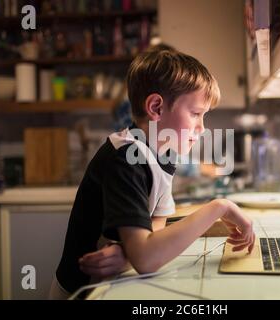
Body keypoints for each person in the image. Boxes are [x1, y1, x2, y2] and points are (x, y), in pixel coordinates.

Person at [49, 45, 255, 299]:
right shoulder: (126, 158)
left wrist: (127, 254)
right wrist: (219, 207)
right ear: (156, 108)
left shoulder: (163, 155)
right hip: (80, 292)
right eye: (195, 114)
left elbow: (156, 225)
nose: (202, 128)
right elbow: (147, 260)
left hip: (106, 284)